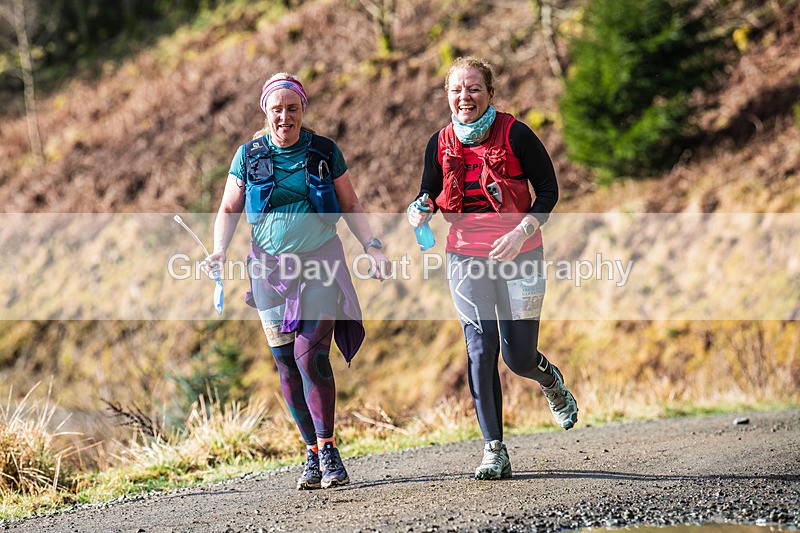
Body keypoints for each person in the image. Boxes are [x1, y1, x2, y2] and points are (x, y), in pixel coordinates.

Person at [203, 73, 390, 490]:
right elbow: (229, 208)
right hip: (268, 271)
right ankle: (310, 452)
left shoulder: (324, 151)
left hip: (320, 263)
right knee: (286, 363)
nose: (285, 116)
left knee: (311, 357)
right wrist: (219, 250)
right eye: (277, 109)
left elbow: (350, 202)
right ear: (265, 111)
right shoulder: (247, 156)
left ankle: (328, 449)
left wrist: (371, 246)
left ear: (303, 109)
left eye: (293, 108)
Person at [407, 56, 579, 480]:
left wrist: (521, 231)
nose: (464, 97)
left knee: (517, 355)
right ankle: (494, 450)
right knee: (480, 349)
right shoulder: (439, 142)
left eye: (473, 89)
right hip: (465, 255)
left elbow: (549, 191)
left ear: (490, 93)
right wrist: (420, 208)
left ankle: (550, 380)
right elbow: (428, 191)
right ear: (447, 95)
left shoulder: (516, 134)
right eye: (456, 90)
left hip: (522, 252)